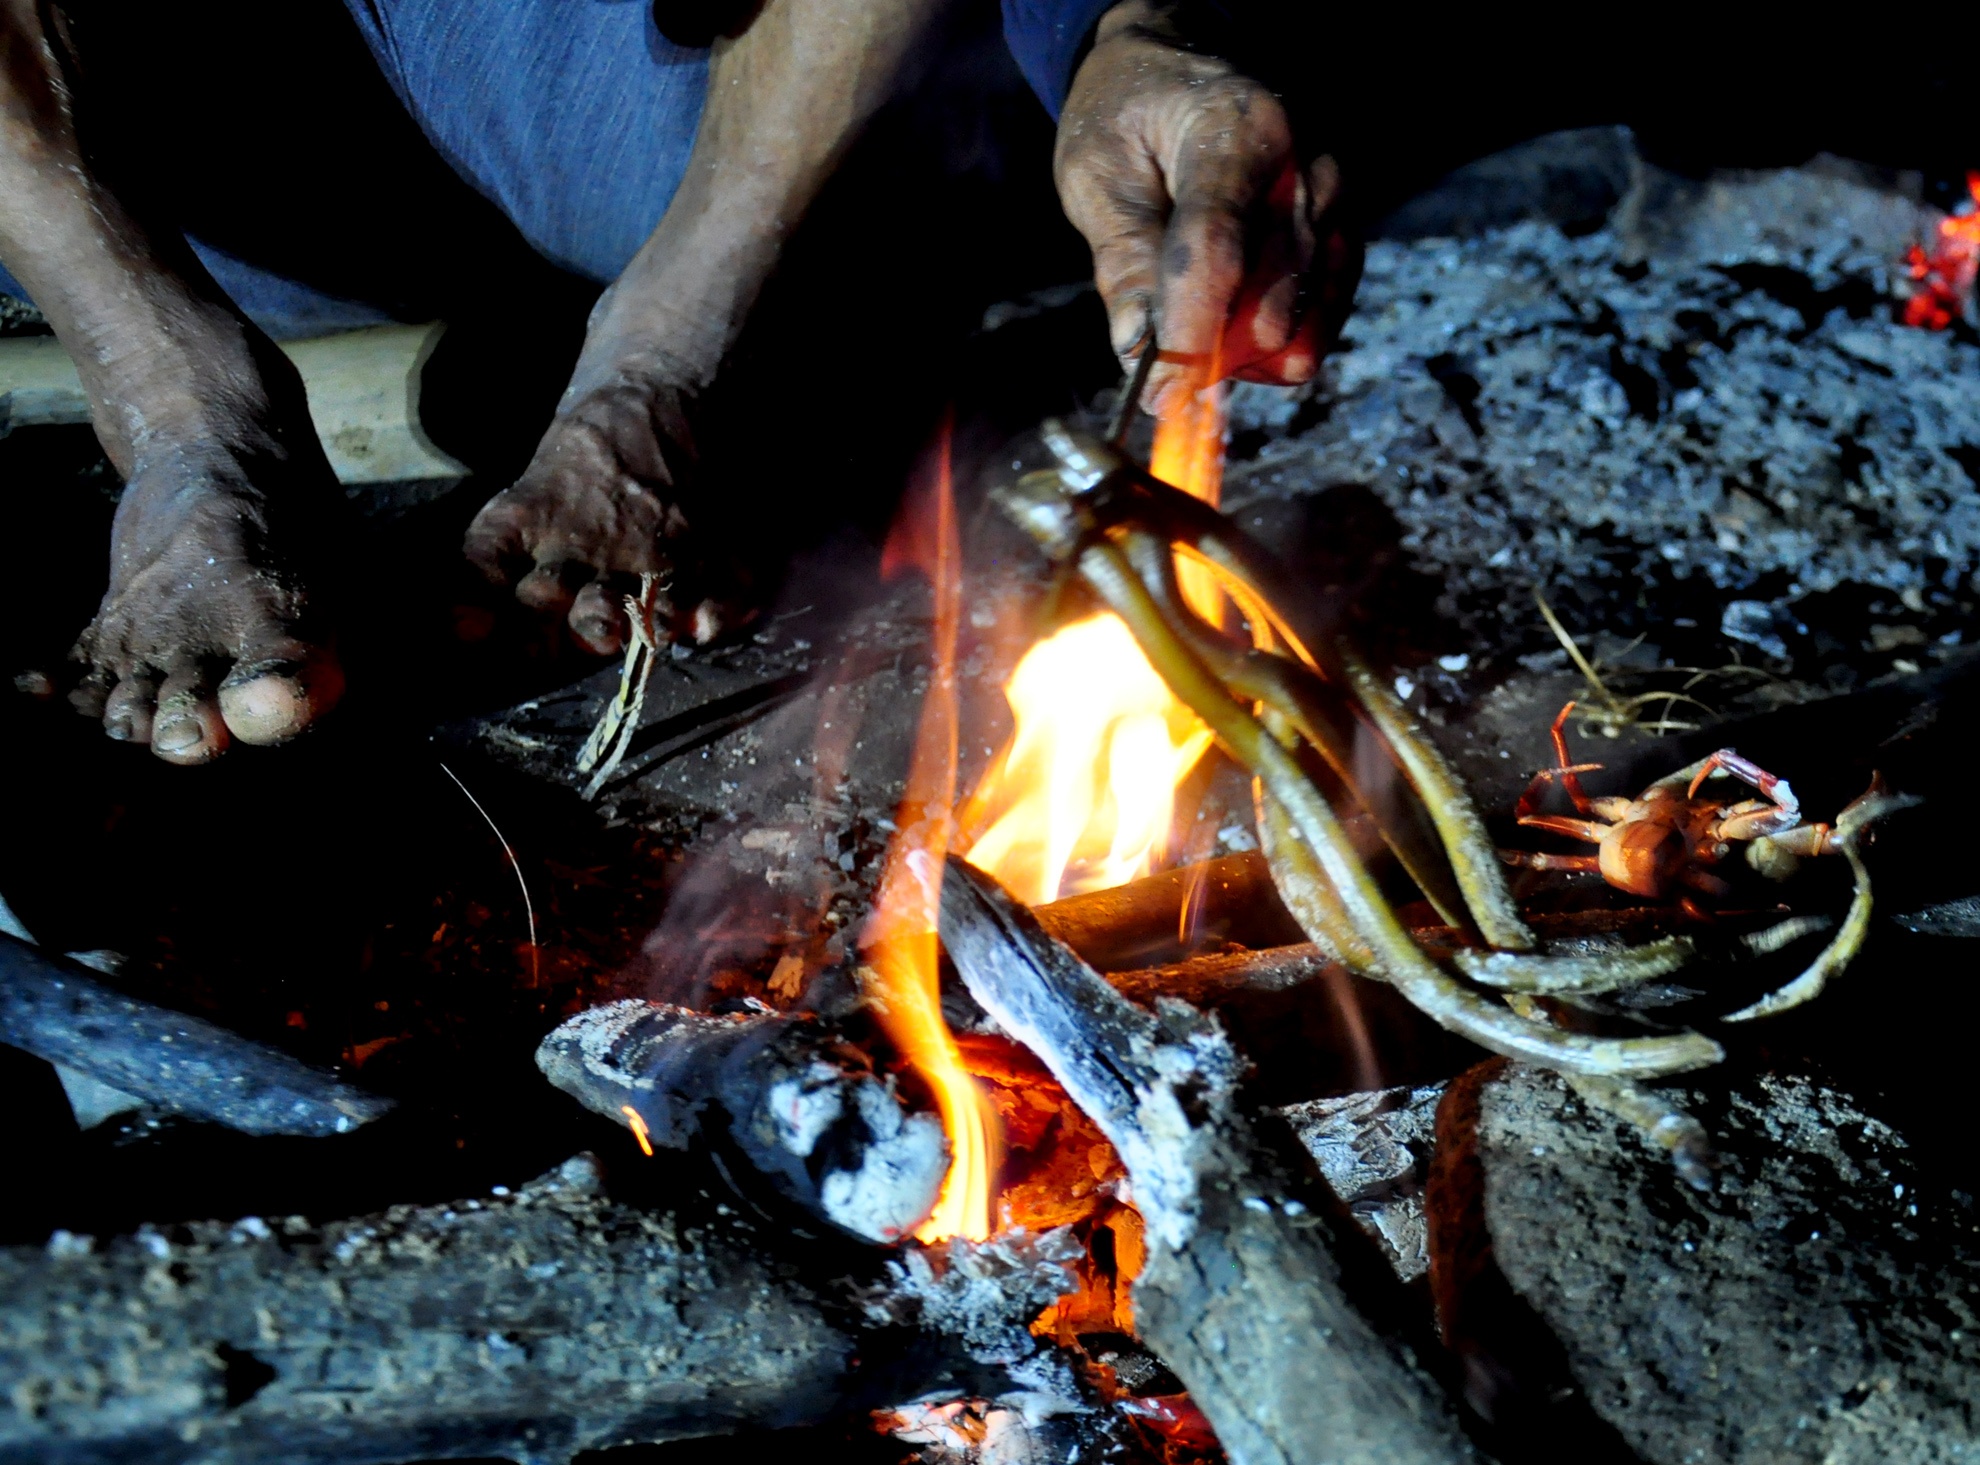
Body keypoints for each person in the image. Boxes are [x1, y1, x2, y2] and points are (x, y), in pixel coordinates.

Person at [0, 0, 1342, 764]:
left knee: (867, 197)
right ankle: (185, 397)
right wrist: (177, 408)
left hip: (590, 57)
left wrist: (1130, 21)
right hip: (131, 91)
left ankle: (667, 339)